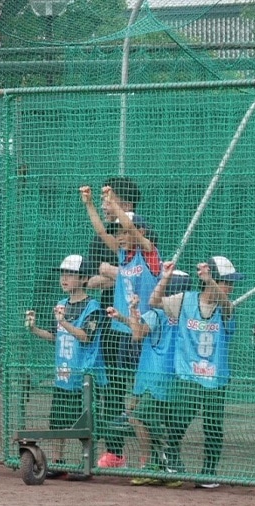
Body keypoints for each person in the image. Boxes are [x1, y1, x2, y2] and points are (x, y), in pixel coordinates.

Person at [81, 182, 160, 469]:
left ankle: (149, 457)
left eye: (125, 233)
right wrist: (91, 205)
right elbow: (102, 232)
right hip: (119, 332)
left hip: (143, 333)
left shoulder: (149, 254)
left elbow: (134, 231)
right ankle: (115, 452)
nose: (121, 237)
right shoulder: (123, 255)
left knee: (142, 396)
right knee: (114, 390)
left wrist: (114, 206)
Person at [150, 257, 240, 489]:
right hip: (188, 374)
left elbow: (227, 307)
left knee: (212, 426)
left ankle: (208, 473)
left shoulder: (226, 307)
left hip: (216, 377)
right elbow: (154, 301)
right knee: (178, 422)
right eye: (226, 282)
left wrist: (212, 282)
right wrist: (165, 278)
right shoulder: (186, 300)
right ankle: (173, 462)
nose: (230, 287)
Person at [25, 254, 106, 478]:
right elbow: (55, 336)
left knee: (85, 423)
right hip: (63, 375)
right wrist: (34, 329)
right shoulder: (61, 305)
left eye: (70, 275)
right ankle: (58, 463)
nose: (64, 279)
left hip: (84, 377)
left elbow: (86, 336)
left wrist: (64, 322)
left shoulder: (93, 307)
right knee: (57, 419)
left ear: (83, 279)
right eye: (63, 274)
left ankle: (86, 465)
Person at [107, 271, 191, 486]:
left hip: (153, 376)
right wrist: (125, 317)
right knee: (162, 424)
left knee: (138, 418)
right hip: (176, 378)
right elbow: (141, 329)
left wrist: (133, 309)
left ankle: (151, 465)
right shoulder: (188, 314)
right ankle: (167, 469)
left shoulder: (156, 312)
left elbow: (138, 334)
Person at [81, 176, 142, 308]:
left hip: (139, 312)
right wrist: (89, 204)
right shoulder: (101, 239)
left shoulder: (143, 234)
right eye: (102, 201)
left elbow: (144, 278)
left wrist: (110, 271)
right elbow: (91, 282)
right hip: (110, 313)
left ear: (126, 205)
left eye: (108, 202)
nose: (103, 207)